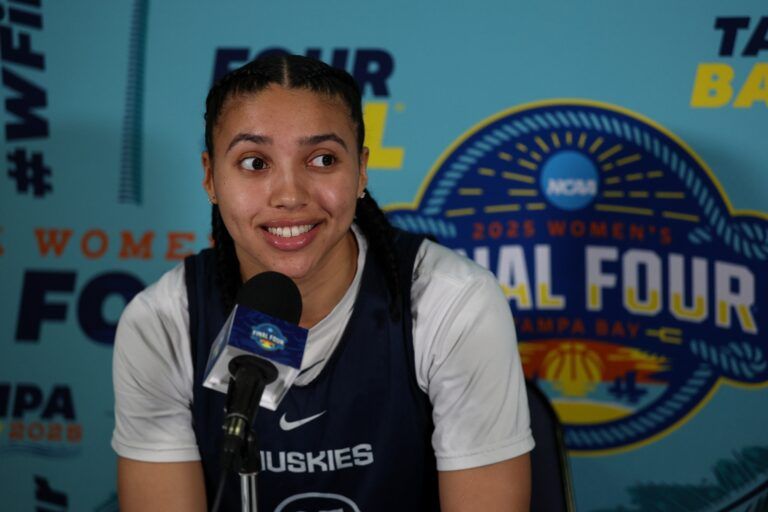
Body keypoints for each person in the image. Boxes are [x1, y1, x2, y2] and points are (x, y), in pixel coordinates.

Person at [112, 54, 534, 511]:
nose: (290, 194)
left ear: (362, 171)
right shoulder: (162, 323)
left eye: (323, 159)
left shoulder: (452, 303)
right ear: (211, 178)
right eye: (254, 162)